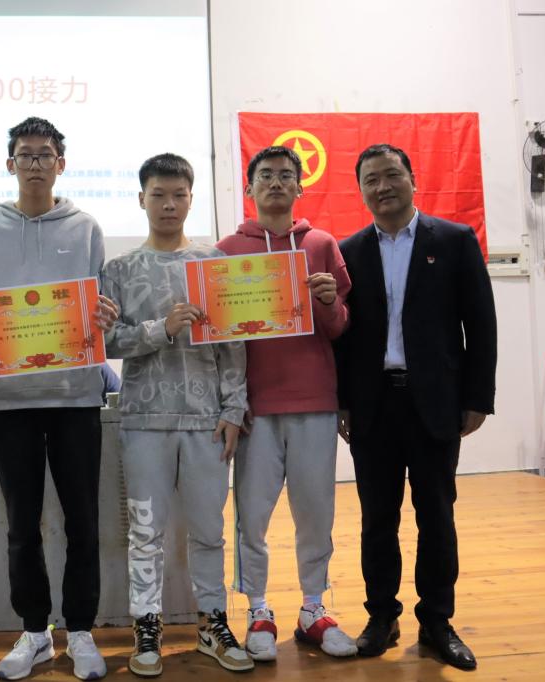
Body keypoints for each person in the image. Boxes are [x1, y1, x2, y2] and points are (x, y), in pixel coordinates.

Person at [0, 116, 118, 681]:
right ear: (10, 164)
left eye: (45, 154)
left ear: (60, 164)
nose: (35, 164)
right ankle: (34, 632)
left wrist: (105, 315)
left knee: (82, 521)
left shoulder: (86, 227)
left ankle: (82, 631)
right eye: (25, 154)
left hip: (76, 397)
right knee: (21, 525)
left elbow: (100, 304)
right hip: (9, 400)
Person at [335, 144, 497, 671]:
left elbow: (481, 324)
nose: (382, 187)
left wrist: (478, 398)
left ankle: (437, 622)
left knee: (437, 516)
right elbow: (342, 338)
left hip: (435, 402)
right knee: (377, 519)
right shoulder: (348, 251)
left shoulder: (453, 240)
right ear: (361, 190)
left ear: (411, 178)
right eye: (371, 180)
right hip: (372, 405)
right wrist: (342, 401)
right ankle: (381, 616)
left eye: (391, 175)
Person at [102, 153, 251, 677]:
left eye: (178, 195)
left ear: (191, 199)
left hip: (207, 420)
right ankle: (147, 625)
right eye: (158, 195)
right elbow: (107, 342)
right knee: (145, 531)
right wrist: (160, 329)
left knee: (209, 530)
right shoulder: (119, 269)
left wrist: (234, 408)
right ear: (141, 199)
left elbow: (234, 343)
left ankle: (212, 622)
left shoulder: (213, 263)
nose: (168, 204)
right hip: (144, 419)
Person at [215, 146, 357, 661]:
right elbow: (220, 338)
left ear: (300, 186)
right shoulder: (226, 251)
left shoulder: (321, 244)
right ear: (249, 188)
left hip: (315, 401)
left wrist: (329, 302)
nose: (276, 183)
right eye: (266, 176)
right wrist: (231, 403)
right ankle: (257, 609)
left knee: (316, 512)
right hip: (255, 409)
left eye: (285, 176)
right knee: (251, 516)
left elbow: (340, 327)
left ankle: (313, 608)